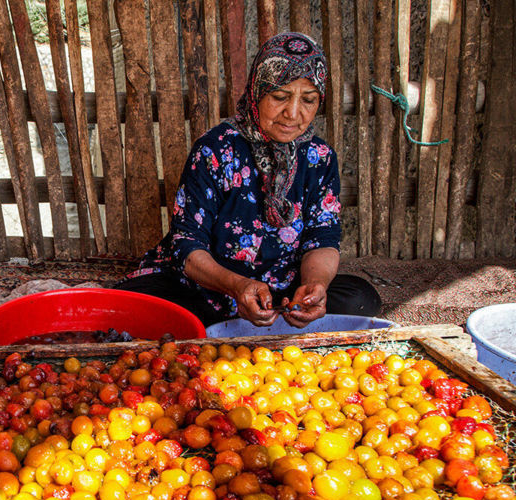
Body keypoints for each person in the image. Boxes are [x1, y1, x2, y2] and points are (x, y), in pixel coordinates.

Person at [115, 32, 380, 329]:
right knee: (135, 307)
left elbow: (323, 238)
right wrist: (237, 286)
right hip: (208, 287)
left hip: (281, 288)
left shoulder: (320, 157)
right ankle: (239, 317)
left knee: (360, 298)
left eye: (309, 100)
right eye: (279, 96)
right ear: (257, 90)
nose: (293, 113)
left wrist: (314, 286)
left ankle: (258, 317)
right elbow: (187, 245)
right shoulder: (216, 149)